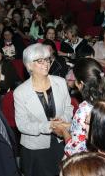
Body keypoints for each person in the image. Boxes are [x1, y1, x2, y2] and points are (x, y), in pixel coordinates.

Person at [14, 43, 73, 176]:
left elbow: (69, 107)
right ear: (29, 65)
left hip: (61, 141)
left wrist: (62, 120)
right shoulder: (20, 92)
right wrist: (49, 126)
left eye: (47, 59)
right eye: (40, 61)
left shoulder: (60, 82)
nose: (46, 64)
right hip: (36, 147)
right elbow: (22, 125)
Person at [57, 58, 105, 157]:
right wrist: (69, 125)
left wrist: (63, 131)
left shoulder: (85, 110)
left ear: (81, 84)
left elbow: (74, 150)